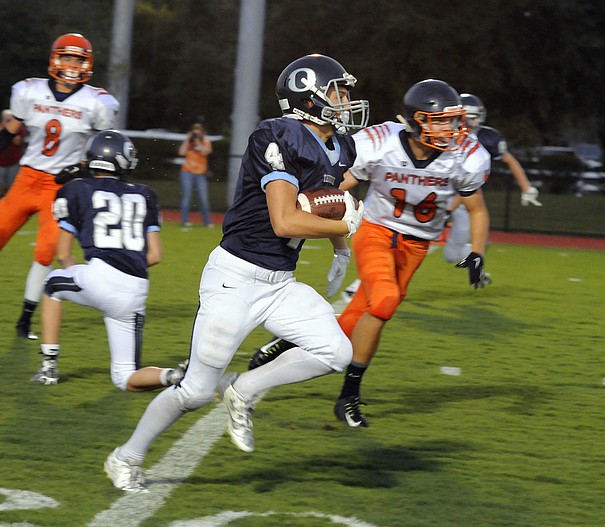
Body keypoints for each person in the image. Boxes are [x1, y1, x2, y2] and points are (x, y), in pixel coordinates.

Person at [103, 54, 369, 492]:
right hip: (236, 279)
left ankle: (242, 390)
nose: (346, 99)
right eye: (337, 91)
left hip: (280, 282)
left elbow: (322, 199)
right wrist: (344, 228)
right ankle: (125, 457)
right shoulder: (278, 135)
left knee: (335, 353)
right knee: (193, 392)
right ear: (308, 97)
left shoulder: (342, 145)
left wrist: (340, 249)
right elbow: (286, 220)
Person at [249, 79, 491, 428]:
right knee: (385, 301)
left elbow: (477, 209)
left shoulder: (466, 157)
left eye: (452, 120)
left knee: (359, 317)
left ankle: (288, 342)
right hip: (376, 232)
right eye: (439, 120)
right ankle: (349, 395)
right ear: (415, 120)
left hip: (417, 244)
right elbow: (342, 180)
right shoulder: (381, 143)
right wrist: (301, 205)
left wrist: (477, 252)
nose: (450, 128)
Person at [0, 33, 119, 339]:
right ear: (55, 58)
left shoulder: (96, 102)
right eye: (67, 57)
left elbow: (105, 148)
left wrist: (79, 169)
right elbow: (6, 133)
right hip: (27, 179)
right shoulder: (31, 91)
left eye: (79, 59)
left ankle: (25, 317)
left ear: (87, 64)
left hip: (61, 187)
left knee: (44, 253)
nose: (72, 65)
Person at [31, 130, 186, 390]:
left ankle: (49, 367)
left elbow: (62, 253)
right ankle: (175, 376)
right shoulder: (145, 194)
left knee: (52, 285)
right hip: (135, 290)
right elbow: (156, 255)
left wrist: (88, 276)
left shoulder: (76, 189)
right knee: (125, 377)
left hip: (99, 277)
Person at [442, 93, 540, 267]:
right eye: (468, 117)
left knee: (452, 255)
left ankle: (477, 251)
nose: (472, 122)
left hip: (465, 199)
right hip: (437, 191)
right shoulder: (442, 134)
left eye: (474, 117)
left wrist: (527, 188)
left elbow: (509, 159)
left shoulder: (487, 138)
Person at [0, 109, 26, 215]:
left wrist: (8, 130)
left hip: (14, 161)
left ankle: (9, 208)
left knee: (12, 187)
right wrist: (2, 127)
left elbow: (17, 141)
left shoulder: (19, 128)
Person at [178, 122, 214, 228]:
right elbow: (181, 152)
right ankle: (185, 221)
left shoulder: (206, 142)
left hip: (200, 174)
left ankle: (207, 222)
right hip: (187, 172)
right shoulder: (189, 142)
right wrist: (187, 139)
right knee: (186, 197)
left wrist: (197, 141)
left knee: (203, 198)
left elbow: (205, 152)